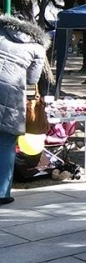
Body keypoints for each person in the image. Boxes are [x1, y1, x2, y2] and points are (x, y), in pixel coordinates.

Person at [0, 15, 50, 206]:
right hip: (12, 99)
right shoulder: (37, 47)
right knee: (6, 146)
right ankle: (3, 193)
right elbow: (32, 80)